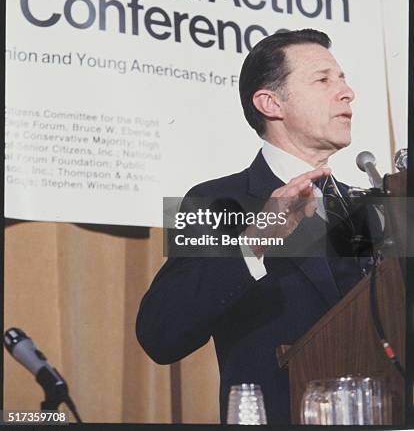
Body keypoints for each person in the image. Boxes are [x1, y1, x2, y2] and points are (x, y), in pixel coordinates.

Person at [136, 28, 381, 424]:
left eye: (344, 79)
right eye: (323, 80)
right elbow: (160, 335)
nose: (347, 92)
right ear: (270, 103)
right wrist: (254, 242)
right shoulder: (215, 199)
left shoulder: (368, 203)